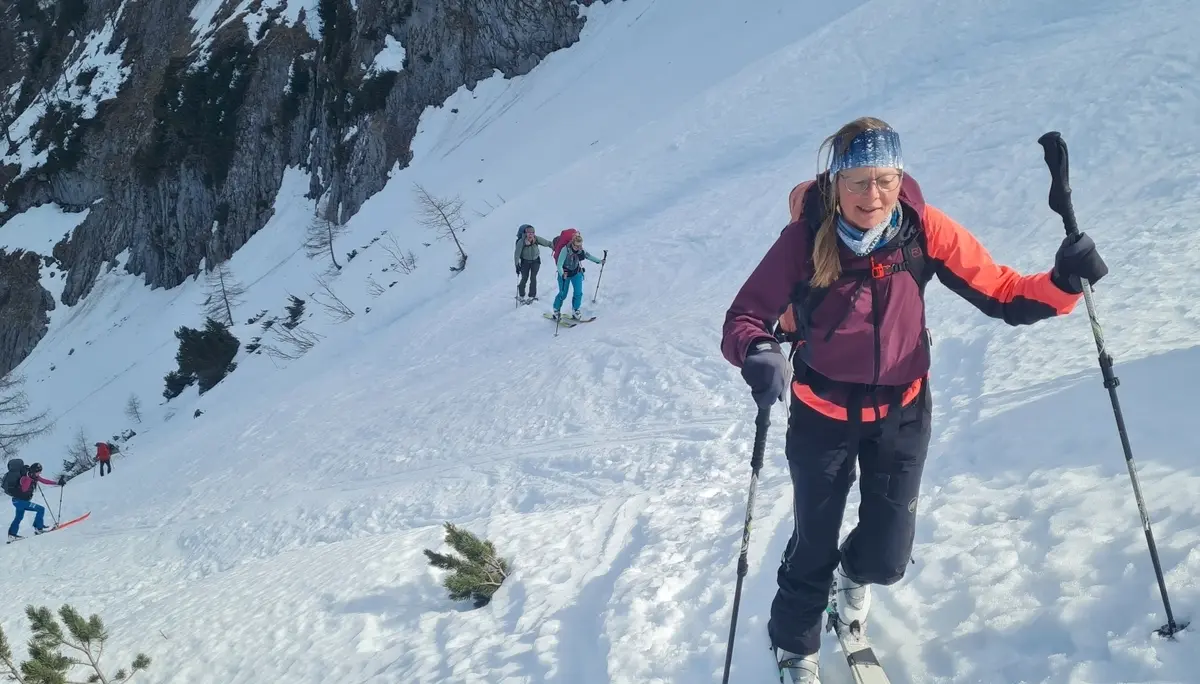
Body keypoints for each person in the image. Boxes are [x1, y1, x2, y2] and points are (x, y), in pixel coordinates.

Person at [720, 117, 1108, 683]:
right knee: (813, 544)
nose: (872, 196)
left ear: (900, 178)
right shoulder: (804, 240)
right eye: (857, 181)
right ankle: (795, 647)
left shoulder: (922, 230)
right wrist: (757, 350)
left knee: (887, 557)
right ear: (834, 183)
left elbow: (1002, 291)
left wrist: (1064, 282)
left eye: (885, 180)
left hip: (903, 414)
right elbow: (745, 316)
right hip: (822, 417)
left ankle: (850, 583)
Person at [4, 460, 65, 541]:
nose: (39, 474)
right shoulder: (25, 478)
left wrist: (57, 483)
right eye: (38, 472)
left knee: (19, 517)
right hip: (19, 501)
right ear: (33, 471)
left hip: (19, 501)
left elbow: (45, 481)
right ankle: (39, 528)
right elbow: (24, 489)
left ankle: (12, 535)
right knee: (40, 509)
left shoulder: (34, 477)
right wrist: (30, 479)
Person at [552, 230, 605, 320]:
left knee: (578, 293)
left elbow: (588, 256)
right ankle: (556, 309)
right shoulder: (565, 250)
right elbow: (559, 264)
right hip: (565, 274)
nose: (579, 247)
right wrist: (562, 274)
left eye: (580, 245)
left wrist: (599, 261)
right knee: (563, 294)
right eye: (577, 246)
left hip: (576, 272)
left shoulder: (581, 250)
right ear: (572, 243)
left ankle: (575, 310)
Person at [515, 224, 552, 303]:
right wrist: (517, 265)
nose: (531, 234)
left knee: (533, 278)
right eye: (529, 232)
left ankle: (532, 295)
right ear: (525, 233)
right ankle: (521, 294)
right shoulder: (521, 242)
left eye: (532, 232)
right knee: (524, 278)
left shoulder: (536, 239)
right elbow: (517, 254)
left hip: (535, 261)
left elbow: (548, 243)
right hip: (525, 262)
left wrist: (557, 248)